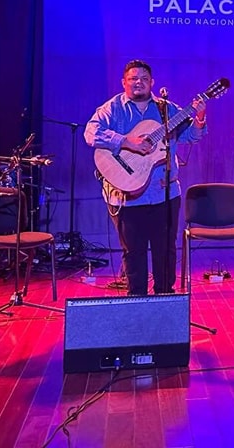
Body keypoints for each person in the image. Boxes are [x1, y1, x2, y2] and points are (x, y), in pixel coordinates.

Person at [84, 60, 208, 295]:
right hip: (126, 195)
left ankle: (165, 297)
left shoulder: (166, 109)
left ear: (152, 83)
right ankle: (137, 299)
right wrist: (126, 141)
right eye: (133, 78)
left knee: (165, 250)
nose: (138, 82)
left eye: (143, 78)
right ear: (124, 82)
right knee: (133, 251)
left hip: (165, 192)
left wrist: (199, 117)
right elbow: (91, 133)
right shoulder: (113, 108)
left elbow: (191, 136)